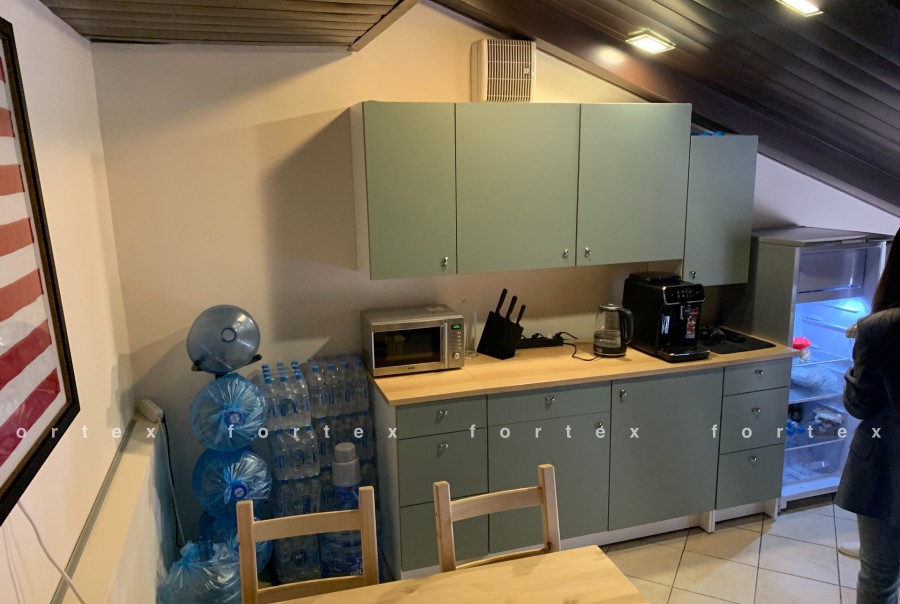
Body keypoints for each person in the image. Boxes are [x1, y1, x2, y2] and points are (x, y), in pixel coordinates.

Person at [836, 228, 900, 604]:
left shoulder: (880, 329)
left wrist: (856, 366)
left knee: (879, 577)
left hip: (886, 468)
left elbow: (858, 404)